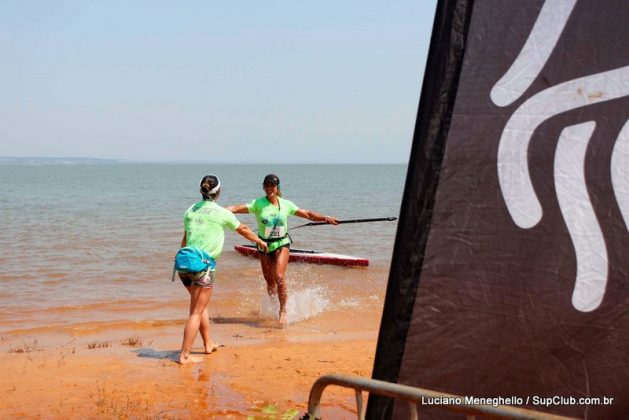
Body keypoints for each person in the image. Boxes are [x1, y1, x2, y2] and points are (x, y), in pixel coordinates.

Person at [177, 174, 268, 364]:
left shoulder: (190, 210)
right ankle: (185, 354)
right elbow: (243, 229)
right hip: (203, 266)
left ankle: (208, 344)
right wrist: (259, 241)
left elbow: (186, 238)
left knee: (201, 306)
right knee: (195, 311)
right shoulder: (221, 213)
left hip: (183, 263)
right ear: (218, 192)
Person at [227, 174, 338, 324]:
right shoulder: (258, 204)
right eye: (266, 185)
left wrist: (325, 218)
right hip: (264, 245)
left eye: (272, 185)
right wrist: (223, 210)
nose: (269, 188)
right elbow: (237, 208)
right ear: (263, 187)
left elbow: (307, 214)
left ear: (277, 188)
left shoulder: (286, 204)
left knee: (279, 277)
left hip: (282, 243)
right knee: (270, 282)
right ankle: (273, 306)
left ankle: (283, 310)